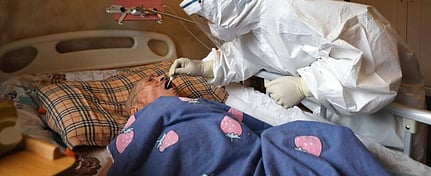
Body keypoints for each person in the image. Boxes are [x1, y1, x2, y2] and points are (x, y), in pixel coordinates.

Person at [169, 0, 427, 161]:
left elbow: (373, 53)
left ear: (222, 6)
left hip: (386, 103)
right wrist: (204, 67)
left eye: (208, 17)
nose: (210, 25)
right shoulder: (254, 19)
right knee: (358, 155)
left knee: (395, 160)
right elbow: (244, 52)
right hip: (341, 107)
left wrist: (306, 85)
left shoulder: (288, 8)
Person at [108, 76, 389, 175]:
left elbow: (247, 126)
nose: (159, 78)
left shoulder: (194, 104)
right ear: (136, 109)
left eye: (159, 77)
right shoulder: (139, 125)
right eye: (149, 83)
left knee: (333, 139)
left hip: (250, 159)